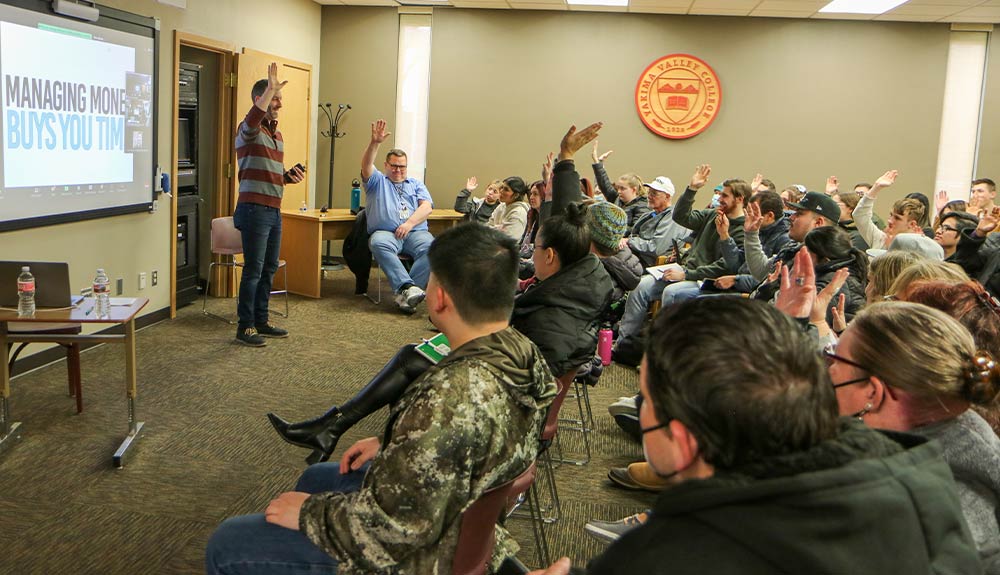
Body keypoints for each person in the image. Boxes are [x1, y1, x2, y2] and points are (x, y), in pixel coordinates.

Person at [531, 297, 982, 575]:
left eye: (646, 399)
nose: (640, 410)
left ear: (683, 442)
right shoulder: (914, 472)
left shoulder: (669, 555)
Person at [207, 224, 557, 575]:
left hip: (426, 553)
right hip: (465, 520)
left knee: (227, 543)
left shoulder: (448, 398)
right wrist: (395, 440)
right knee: (316, 479)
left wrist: (310, 515)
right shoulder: (524, 355)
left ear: (440, 297)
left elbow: (394, 532)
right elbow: (467, 438)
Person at [829, 301, 1000, 570]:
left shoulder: (924, 521)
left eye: (836, 358)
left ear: (874, 392)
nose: (829, 371)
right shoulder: (961, 441)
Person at [614, 166, 748, 364]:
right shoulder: (713, 215)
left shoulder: (743, 229)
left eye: (725, 196)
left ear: (740, 199)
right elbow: (681, 216)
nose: (719, 199)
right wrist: (692, 189)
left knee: (672, 292)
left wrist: (687, 274)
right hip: (684, 269)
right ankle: (624, 347)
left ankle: (662, 356)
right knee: (640, 287)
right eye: (719, 195)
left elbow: (727, 266)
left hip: (704, 279)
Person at [233, 62, 304, 347]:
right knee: (254, 269)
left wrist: (286, 178)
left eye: (278, 99)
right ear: (259, 99)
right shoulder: (248, 129)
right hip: (253, 210)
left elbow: (268, 173)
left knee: (269, 268)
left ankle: (261, 320)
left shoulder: (277, 135)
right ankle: (245, 326)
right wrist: (268, 90)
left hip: (273, 209)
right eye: (274, 98)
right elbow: (253, 118)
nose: (279, 104)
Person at [361, 119, 435, 314]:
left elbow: (426, 207)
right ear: (386, 165)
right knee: (377, 243)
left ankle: (408, 297)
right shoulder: (377, 181)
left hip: (414, 232)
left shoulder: (416, 184)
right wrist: (375, 143)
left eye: (402, 166)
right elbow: (366, 164)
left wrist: (409, 223)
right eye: (394, 166)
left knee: (432, 247)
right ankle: (407, 289)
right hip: (386, 233)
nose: (398, 170)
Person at [621, 176, 690, 268]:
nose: (649, 196)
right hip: (634, 255)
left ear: (667, 196)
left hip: (647, 263)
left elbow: (656, 249)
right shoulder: (650, 215)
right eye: (649, 192)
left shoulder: (673, 217)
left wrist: (629, 241)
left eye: (654, 194)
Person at [852, 170, 927, 249]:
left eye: (897, 218)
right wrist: (876, 188)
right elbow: (860, 216)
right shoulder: (881, 239)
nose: (890, 221)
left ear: (912, 224)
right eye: (891, 215)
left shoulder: (919, 248)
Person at [590, 142, 650, 228]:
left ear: (634, 189)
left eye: (623, 188)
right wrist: (598, 162)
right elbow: (604, 184)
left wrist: (612, 230)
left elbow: (635, 229)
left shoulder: (643, 206)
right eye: (618, 188)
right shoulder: (617, 199)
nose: (619, 191)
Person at [487, 176, 531, 241]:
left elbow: (509, 239)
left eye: (506, 189)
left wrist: (494, 229)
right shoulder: (501, 206)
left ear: (516, 195)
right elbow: (487, 227)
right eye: (502, 187)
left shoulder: (519, 212)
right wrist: (497, 229)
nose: (501, 191)